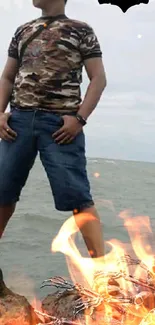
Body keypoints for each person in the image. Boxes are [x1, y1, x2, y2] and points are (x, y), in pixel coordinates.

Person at [0, 0, 107, 259]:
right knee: (2, 190)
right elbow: (7, 77)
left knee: (77, 194)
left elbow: (99, 79)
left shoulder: (81, 30)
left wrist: (79, 119)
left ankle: (103, 269)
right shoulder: (22, 30)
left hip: (61, 125)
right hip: (19, 122)